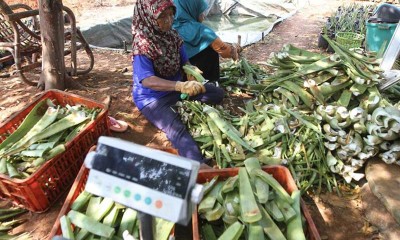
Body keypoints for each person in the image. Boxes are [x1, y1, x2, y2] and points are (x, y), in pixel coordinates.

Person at [131, 0, 224, 168]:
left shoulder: (172, 36)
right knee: (176, 129)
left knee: (217, 93)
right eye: (162, 16)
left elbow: (185, 61)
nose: (169, 20)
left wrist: (190, 71)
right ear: (149, 17)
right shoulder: (143, 44)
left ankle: (181, 101)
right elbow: (147, 80)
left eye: (171, 14)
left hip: (177, 89)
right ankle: (198, 165)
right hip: (153, 98)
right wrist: (179, 86)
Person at [172, 0, 240, 82]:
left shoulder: (170, 26)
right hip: (194, 76)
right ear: (192, 9)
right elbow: (226, 52)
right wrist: (234, 48)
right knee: (210, 48)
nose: (204, 15)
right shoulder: (200, 30)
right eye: (201, 11)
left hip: (173, 79)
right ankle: (210, 82)